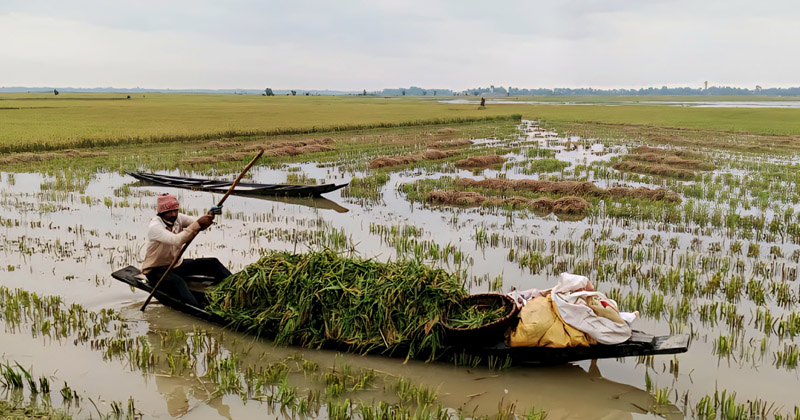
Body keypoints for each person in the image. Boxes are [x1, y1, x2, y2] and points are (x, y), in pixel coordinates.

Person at [141, 193, 231, 306]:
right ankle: (198, 309)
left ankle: (237, 286)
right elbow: (177, 240)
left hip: (175, 264)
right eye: (169, 211)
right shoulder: (155, 227)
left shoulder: (178, 219)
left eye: (175, 210)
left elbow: (197, 224)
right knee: (178, 283)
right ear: (161, 213)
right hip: (156, 270)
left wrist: (209, 216)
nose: (173, 214)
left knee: (212, 263)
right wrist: (198, 223)